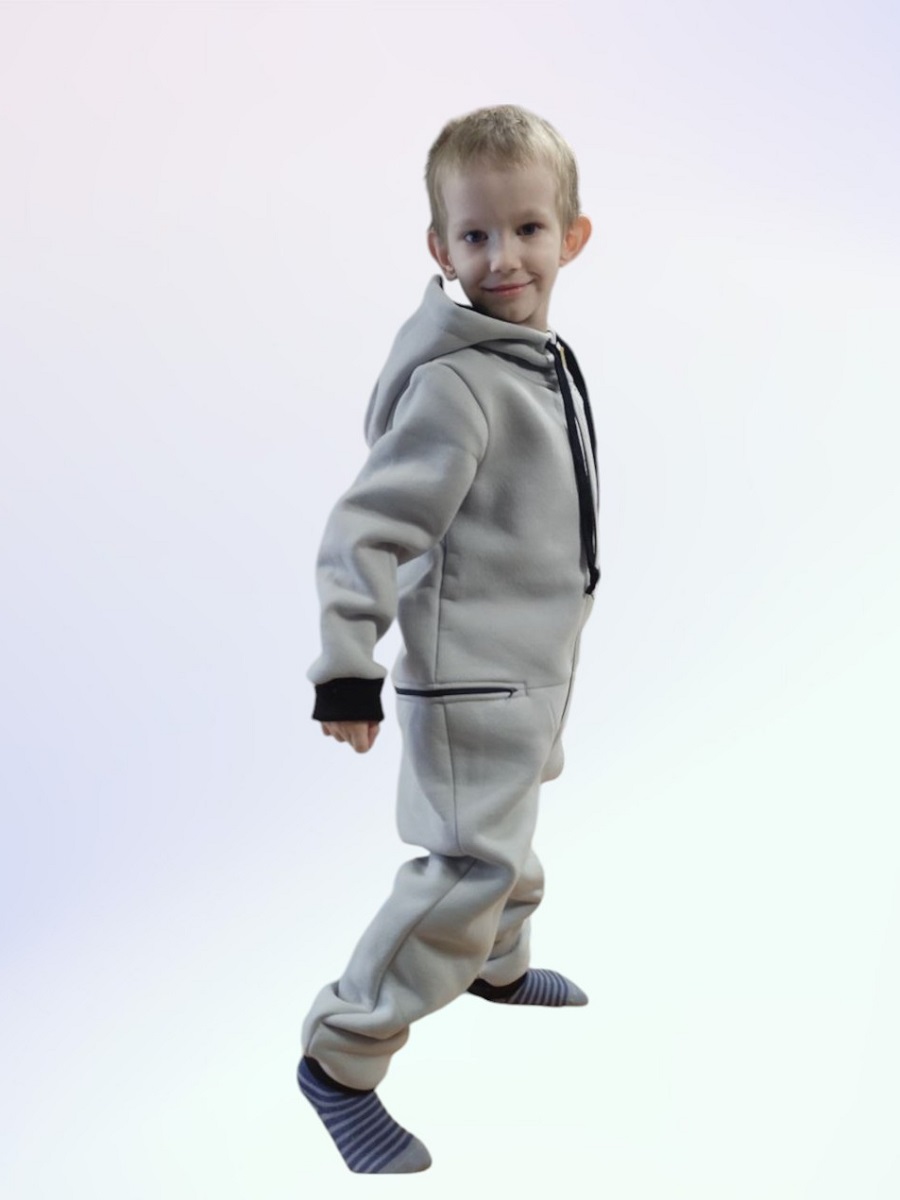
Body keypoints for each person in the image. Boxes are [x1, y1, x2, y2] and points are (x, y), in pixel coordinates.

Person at [297, 103, 598, 1174]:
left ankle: (496, 967)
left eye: (527, 228)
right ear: (440, 247)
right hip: (473, 683)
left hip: (527, 672)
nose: (502, 256)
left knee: (507, 838)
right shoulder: (459, 383)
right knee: (467, 864)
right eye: (476, 234)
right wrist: (347, 669)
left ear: (572, 236)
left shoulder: (529, 357)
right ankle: (341, 1057)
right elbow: (368, 528)